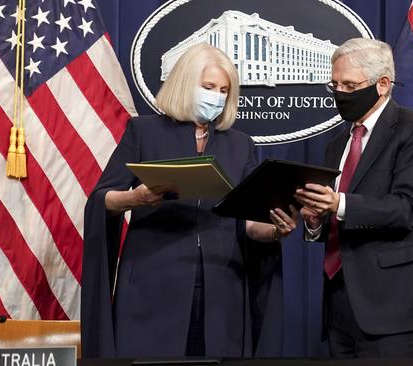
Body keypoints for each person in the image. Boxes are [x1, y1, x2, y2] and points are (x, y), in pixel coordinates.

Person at [81, 43, 298, 358]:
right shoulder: (144, 131)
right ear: (185, 83)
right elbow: (102, 200)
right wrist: (136, 197)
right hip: (153, 283)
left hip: (221, 288)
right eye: (208, 87)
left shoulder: (240, 144)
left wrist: (276, 230)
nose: (217, 96)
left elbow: (250, 222)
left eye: (224, 90)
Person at [294, 38, 413, 358]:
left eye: (350, 85)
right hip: (340, 304)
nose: (340, 93)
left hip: (396, 307)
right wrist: (314, 221)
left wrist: (339, 204)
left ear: (382, 84)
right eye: (334, 84)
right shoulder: (337, 144)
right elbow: (334, 221)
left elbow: (409, 208)